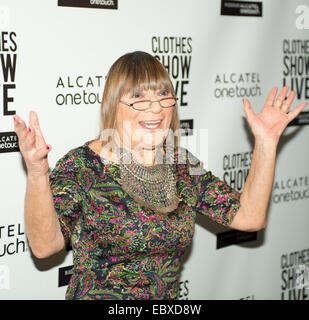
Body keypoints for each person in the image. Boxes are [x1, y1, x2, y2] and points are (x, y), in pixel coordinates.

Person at [13, 51, 307, 300]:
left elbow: (250, 217)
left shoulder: (182, 167)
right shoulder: (83, 166)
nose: (155, 108)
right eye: (138, 97)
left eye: (163, 94)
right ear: (113, 104)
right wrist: (38, 173)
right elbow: (44, 247)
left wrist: (266, 143)